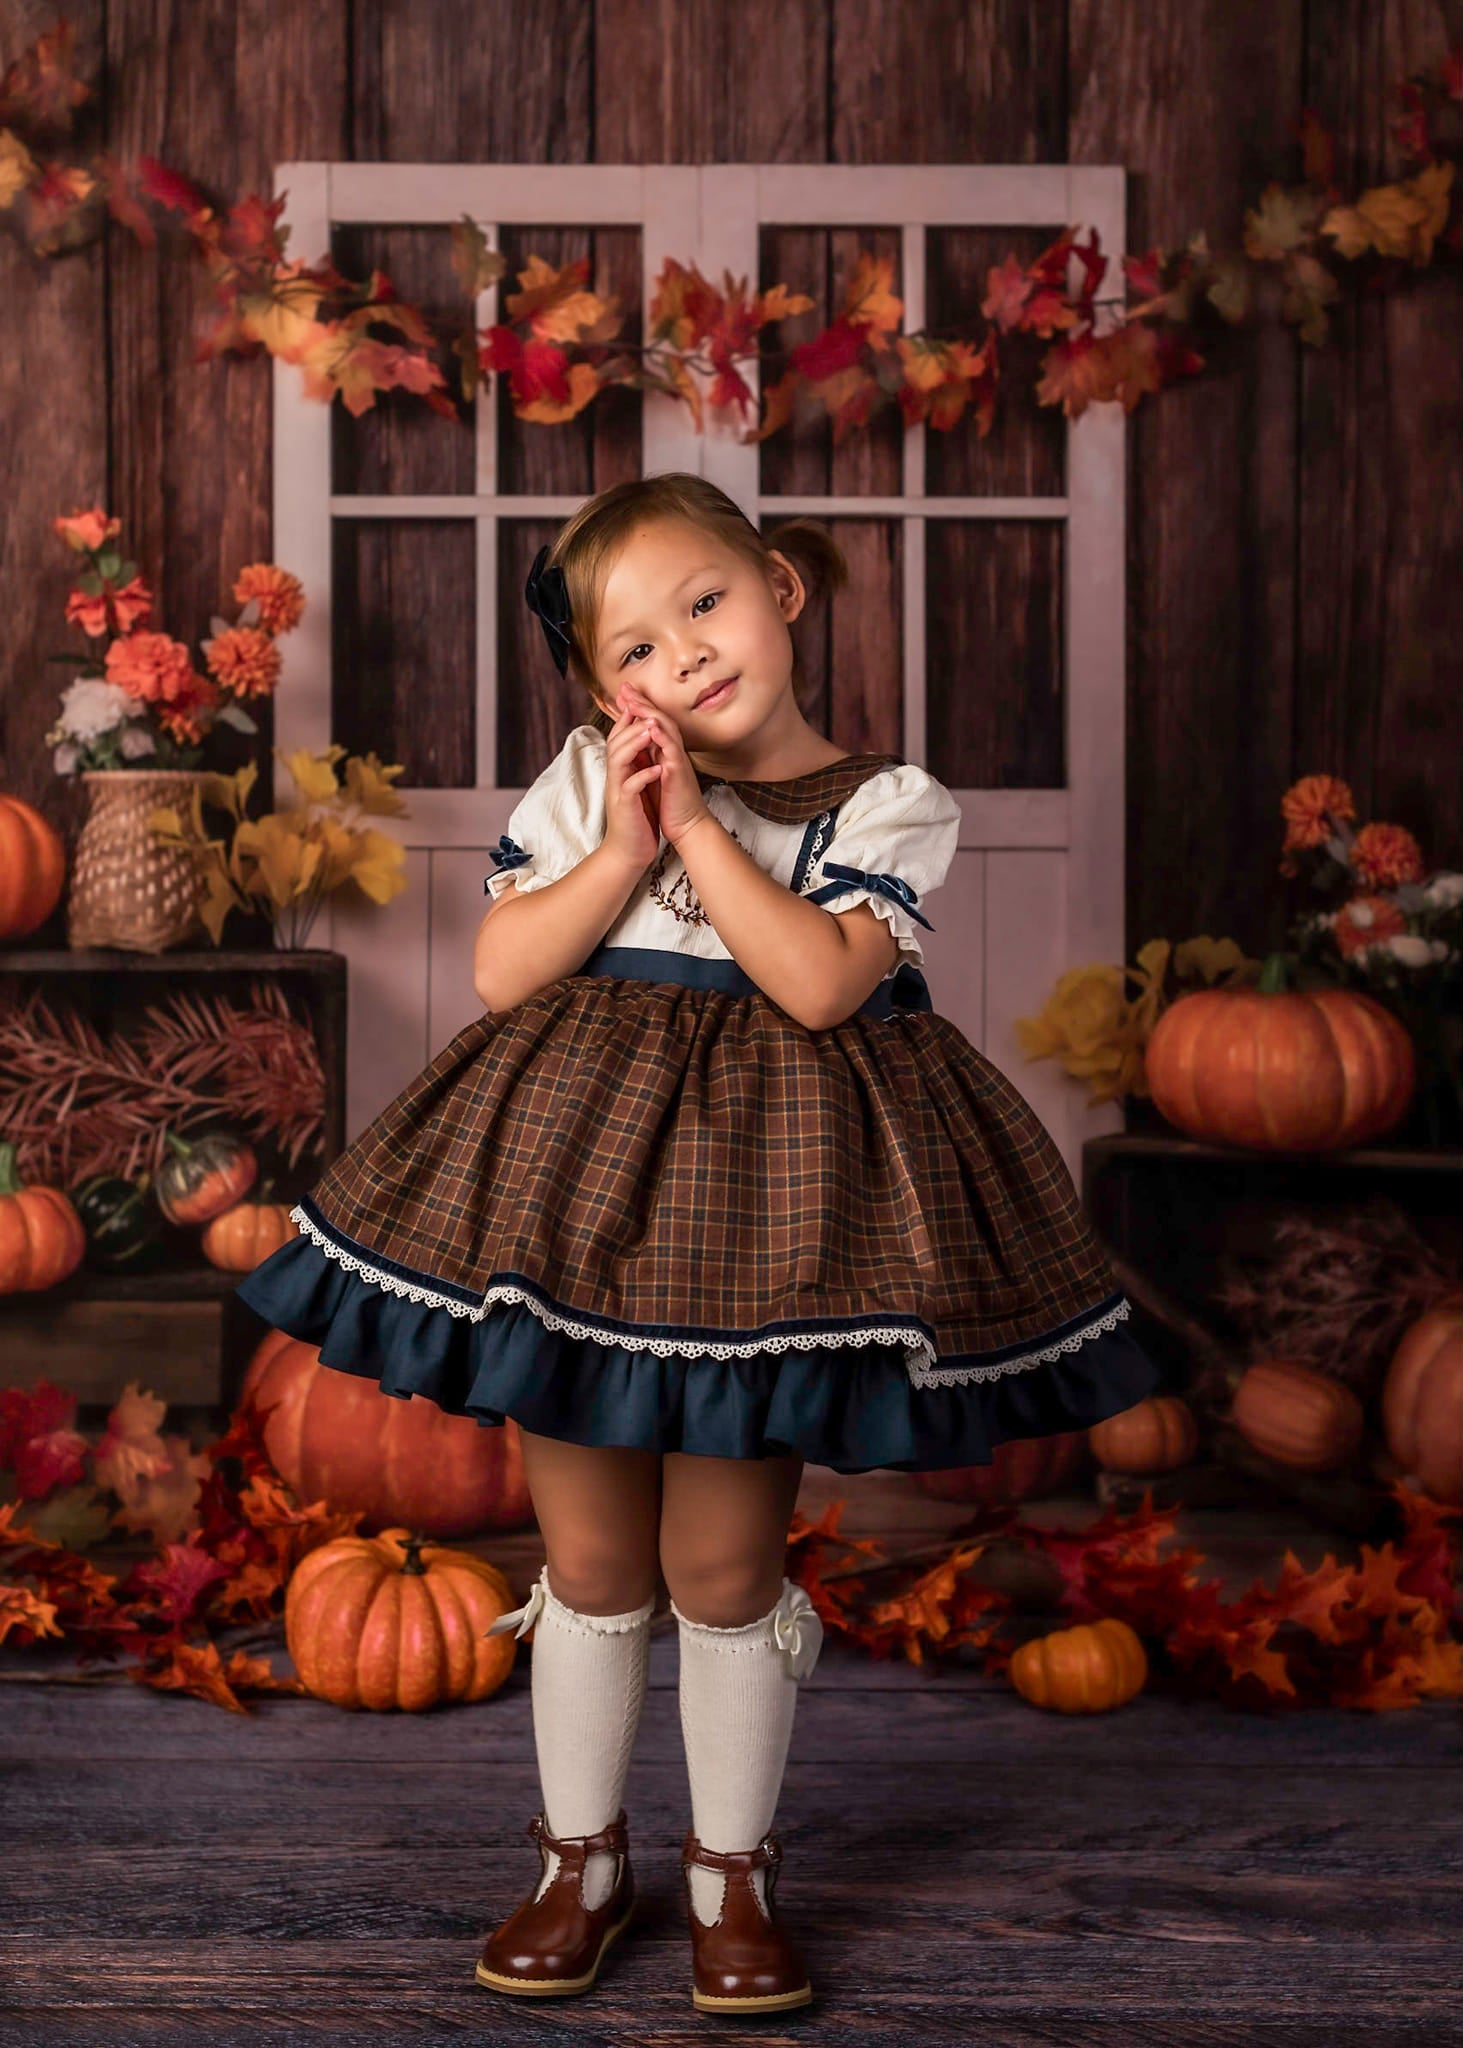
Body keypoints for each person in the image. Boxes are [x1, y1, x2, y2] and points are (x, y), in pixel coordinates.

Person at [233, 470, 1164, 2015]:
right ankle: (578, 1862)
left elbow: (816, 987)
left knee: (721, 1565)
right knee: (592, 1558)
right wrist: (619, 845)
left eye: (708, 605)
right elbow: (503, 976)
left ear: (782, 587)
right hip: (576, 1211)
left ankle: (735, 1873)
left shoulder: (886, 801)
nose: (685, 660)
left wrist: (700, 826)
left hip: (769, 1233)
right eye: (639, 654)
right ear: (610, 694)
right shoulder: (595, 790)